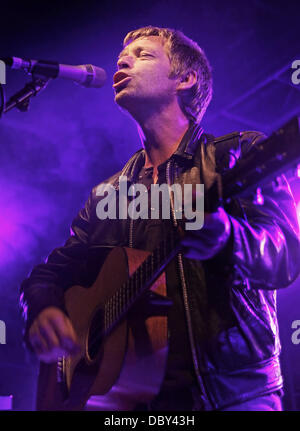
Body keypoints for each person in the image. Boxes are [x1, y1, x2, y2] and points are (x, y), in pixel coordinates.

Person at [20, 26, 300, 411]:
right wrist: (43, 309)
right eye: (123, 55)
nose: (122, 60)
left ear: (185, 79)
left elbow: (285, 257)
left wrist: (228, 238)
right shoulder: (108, 193)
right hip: (130, 403)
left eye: (143, 54)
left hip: (231, 397)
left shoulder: (237, 154)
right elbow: (48, 274)